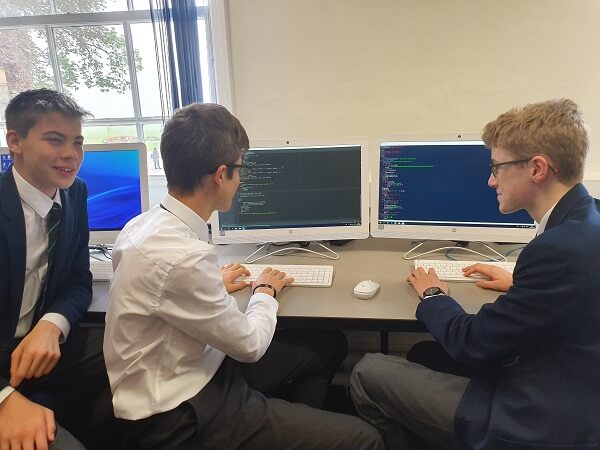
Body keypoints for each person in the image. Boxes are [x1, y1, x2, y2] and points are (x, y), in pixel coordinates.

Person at [103, 102, 384, 450]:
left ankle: (290, 429)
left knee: (330, 344)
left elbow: (162, 294)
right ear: (221, 175)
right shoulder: (184, 257)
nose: (241, 178)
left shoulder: (143, 226)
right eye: (241, 169)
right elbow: (250, 346)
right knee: (364, 440)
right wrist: (264, 291)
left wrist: (210, 285)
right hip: (182, 411)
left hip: (190, 366)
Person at [350, 98, 600, 449]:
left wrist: (433, 295)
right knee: (424, 353)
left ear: (537, 168)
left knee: (367, 371)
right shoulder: (587, 220)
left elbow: (473, 342)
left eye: (497, 168)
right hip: (571, 383)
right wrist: (521, 283)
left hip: (535, 420)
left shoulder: (558, 250)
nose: (489, 180)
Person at [0, 89, 117, 450]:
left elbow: (78, 279)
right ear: (15, 142)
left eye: (77, 142)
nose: (71, 154)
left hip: (40, 348)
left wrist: (52, 325)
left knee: (145, 347)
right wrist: (4, 399)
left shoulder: (74, 193)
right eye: (55, 140)